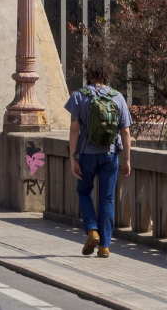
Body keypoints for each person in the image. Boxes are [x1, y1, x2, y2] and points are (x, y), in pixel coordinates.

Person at [66, 60, 133, 258]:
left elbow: (74, 129)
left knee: (84, 192)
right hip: (110, 155)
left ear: (89, 74)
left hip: (86, 154)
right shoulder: (117, 97)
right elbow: (126, 131)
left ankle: (92, 230)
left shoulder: (79, 96)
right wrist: (127, 159)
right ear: (106, 76)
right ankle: (105, 246)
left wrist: (72, 157)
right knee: (107, 198)